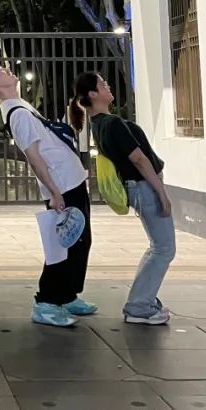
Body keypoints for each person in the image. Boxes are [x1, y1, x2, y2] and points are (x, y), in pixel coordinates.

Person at [0, 60, 96, 328]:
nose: (8, 70)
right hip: (62, 185)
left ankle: (67, 295)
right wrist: (54, 192)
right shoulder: (18, 114)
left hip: (70, 180)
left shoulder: (21, 106)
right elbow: (34, 157)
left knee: (80, 241)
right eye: (0, 70)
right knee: (63, 245)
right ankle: (47, 302)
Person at [72, 71, 174, 325]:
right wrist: (162, 192)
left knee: (158, 247)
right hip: (144, 186)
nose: (108, 85)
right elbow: (139, 159)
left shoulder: (99, 124)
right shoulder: (111, 124)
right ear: (92, 94)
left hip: (139, 187)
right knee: (164, 248)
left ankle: (143, 301)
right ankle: (139, 306)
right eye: (102, 84)